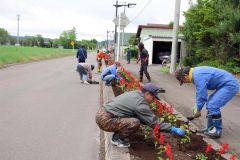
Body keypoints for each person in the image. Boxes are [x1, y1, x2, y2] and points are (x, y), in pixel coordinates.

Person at [95, 83, 185, 148]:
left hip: (103, 113)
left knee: (136, 119)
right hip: (105, 119)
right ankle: (117, 139)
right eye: (153, 97)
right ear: (147, 94)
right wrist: (173, 129)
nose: (153, 100)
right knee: (134, 122)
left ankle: (117, 136)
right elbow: (153, 122)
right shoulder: (140, 103)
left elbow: (145, 118)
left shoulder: (136, 93)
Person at [175, 66, 239, 138]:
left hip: (229, 85)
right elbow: (199, 92)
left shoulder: (197, 76)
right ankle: (210, 128)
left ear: (185, 76)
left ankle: (217, 131)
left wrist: (198, 110)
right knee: (210, 104)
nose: (185, 82)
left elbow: (202, 94)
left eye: (183, 81)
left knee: (213, 105)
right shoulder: (195, 74)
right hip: (223, 85)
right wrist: (197, 105)